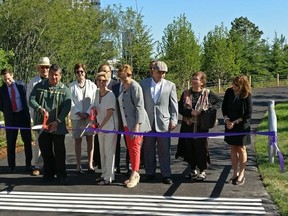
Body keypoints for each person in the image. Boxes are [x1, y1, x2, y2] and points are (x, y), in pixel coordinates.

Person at [29, 64, 72, 184]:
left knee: (59, 151)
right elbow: (31, 99)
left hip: (58, 125)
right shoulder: (39, 86)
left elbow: (67, 107)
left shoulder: (65, 90)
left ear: (60, 76)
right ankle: (48, 173)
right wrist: (39, 108)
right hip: (43, 125)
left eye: (56, 75)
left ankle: (61, 174)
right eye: (52, 75)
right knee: (45, 150)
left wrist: (58, 121)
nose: (54, 77)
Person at [176, 71, 221, 181]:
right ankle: (192, 169)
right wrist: (190, 113)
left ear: (202, 82)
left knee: (201, 148)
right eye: (193, 79)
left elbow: (218, 103)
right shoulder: (186, 93)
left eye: (196, 79)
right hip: (187, 125)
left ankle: (202, 170)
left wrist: (207, 110)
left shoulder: (207, 93)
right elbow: (180, 108)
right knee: (189, 147)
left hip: (201, 126)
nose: (193, 81)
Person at [140, 61, 178, 184]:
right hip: (147, 122)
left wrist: (174, 119)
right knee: (148, 149)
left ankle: (166, 174)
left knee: (164, 150)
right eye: (159, 72)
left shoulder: (170, 85)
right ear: (153, 71)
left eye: (163, 73)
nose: (161, 75)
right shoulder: (143, 84)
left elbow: (174, 104)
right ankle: (149, 173)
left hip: (164, 122)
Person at [117, 64, 151, 188]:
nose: (123, 80)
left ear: (130, 75)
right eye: (121, 77)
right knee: (130, 149)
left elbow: (139, 107)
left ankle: (135, 173)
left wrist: (137, 126)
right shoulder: (122, 87)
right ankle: (133, 171)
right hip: (126, 123)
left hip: (135, 124)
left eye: (125, 77)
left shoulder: (135, 87)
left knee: (136, 148)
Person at [0, 68, 33, 172]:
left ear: (12, 75)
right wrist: (8, 111)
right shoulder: (2, 90)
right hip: (11, 118)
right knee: (11, 143)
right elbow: (1, 105)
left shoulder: (21, 85)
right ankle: (11, 166)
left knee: (27, 141)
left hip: (23, 116)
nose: (7, 81)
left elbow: (27, 99)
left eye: (8, 79)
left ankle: (28, 164)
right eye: (5, 80)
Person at [222, 75, 252, 185]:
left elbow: (248, 114)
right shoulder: (229, 92)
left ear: (242, 86)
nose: (233, 86)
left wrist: (234, 122)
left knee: (242, 149)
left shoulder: (247, 96)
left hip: (242, 125)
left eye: (236, 84)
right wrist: (226, 120)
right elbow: (224, 107)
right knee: (233, 148)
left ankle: (242, 173)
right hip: (229, 124)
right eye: (233, 83)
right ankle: (234, 173)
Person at [93, 64, 121, 173]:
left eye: (103, 80)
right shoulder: (96, 93)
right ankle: (104, 174)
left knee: (109, 152)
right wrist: (94, 120)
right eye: (99, 80)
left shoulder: (110, 95)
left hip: (109, 127)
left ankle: (109, 176)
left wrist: (100, 125)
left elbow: (109, 113)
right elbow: (95, 108)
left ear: (106, 81)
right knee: (102, 151)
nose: (101, 82)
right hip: (100, 127)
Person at [69, 63, 97, 174]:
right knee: (78, 140)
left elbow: (95, 100)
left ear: (85, 72)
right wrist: (78, 112)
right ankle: (78, 165)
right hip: (76, 117)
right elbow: (69, 101)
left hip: (89, 117)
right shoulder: (71, 86)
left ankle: (90, 164)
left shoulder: (92, 85)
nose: (80, 73)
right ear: (75, 73)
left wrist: (87, 112)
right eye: (77, 72)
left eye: (82, 71)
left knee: (90, 139)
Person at [27, 56, 50, 176]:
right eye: (42, 67)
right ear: (39, 68)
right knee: (38, 142)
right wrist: (33, 115)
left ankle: (49, 165)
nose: (44, 69)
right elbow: (29, 99)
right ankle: (37, 165)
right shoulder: (33, 81)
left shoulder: (53, 80)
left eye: (46, 67)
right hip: (37, 117)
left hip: (51, 117)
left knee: (51, 142)